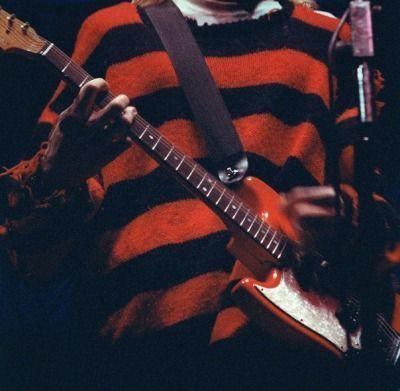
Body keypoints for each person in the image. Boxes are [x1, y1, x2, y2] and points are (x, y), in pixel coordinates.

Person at [0, 0, 399, 389]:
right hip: (139, 350)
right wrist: (55, 173)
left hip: (299, 349)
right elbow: (35, 259)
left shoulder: (329, 39)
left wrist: (344, 219)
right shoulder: (114, 32)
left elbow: (376, 206)